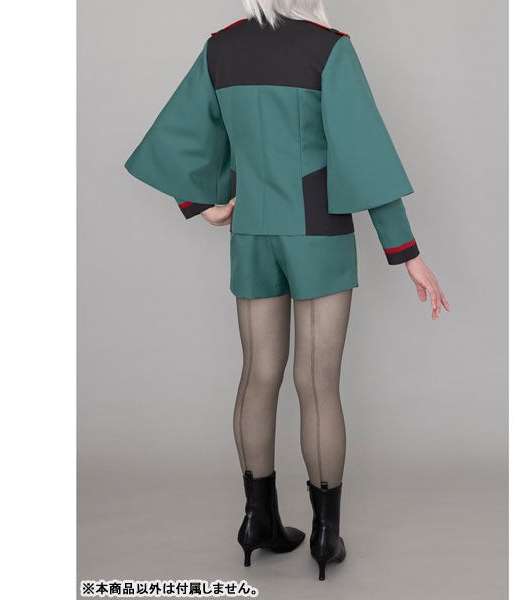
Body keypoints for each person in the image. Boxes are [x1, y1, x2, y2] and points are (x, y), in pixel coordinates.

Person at [124, 0, 450, 581]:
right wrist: (407, 254)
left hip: (252, 232)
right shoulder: (329, 48)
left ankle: (258, 522)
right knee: (317, 384)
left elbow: (179, 135)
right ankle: (325, 536)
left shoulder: (221, 46)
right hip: (317, 231)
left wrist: (202, 203)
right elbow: (365, 153)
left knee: (258, 375)